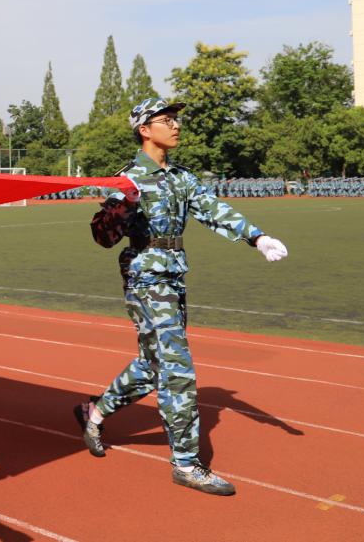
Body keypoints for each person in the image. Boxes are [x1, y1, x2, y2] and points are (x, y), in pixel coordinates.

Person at [78, 97, 289, 496]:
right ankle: (186, 464)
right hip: (145, 277)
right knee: (177, 369)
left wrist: (257, 237)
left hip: (173, 274)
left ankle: (96, 412)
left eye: (175, 119)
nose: (175, 126)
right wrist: (126, 203)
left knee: (151, 364)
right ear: (145, 129)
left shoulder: (180, 176)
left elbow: (213, 209)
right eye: (166, 120)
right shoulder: (128, 179)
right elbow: (102, 236)